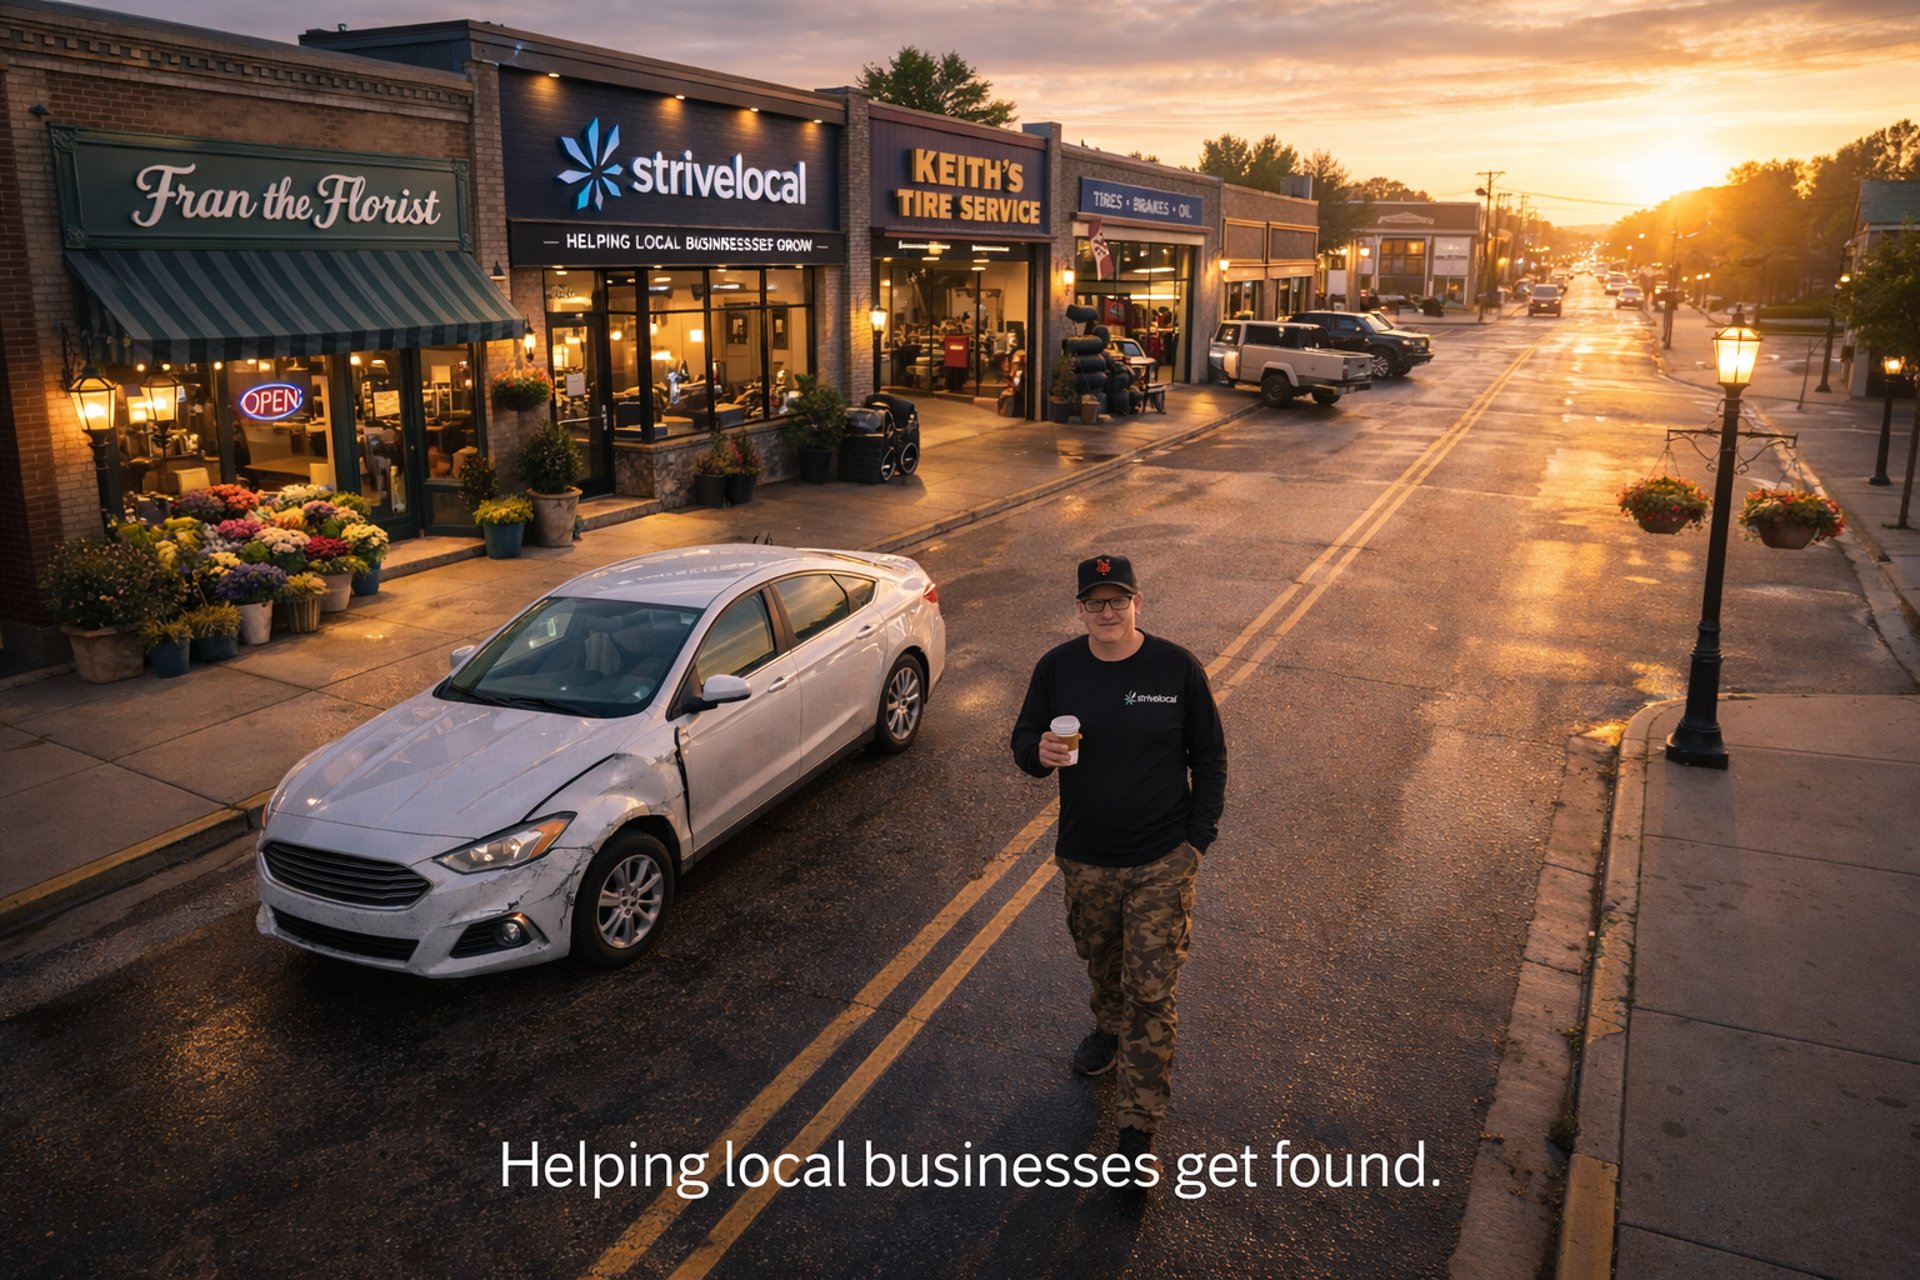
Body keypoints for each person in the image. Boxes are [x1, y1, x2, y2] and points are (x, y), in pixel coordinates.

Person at [1010, 553, 1227, 1193]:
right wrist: (1039, 753)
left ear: (1138, 604)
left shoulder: (1175, 668)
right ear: (1079, 610)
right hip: (1086, 857)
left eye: (1118, 600)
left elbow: (1210, 757)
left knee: (1152, 991)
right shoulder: (1057, 668)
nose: (1107, 612)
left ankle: (1137, 1136)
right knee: (1103, 962)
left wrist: (1197, 842)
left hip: (1163, 858)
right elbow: (1024, 741)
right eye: (1095, 602)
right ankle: (1107, 1027)